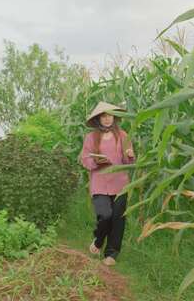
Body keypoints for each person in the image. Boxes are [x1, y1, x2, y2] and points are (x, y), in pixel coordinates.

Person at [80, 102, 135, 266]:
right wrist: (96, 162)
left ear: (114, 117)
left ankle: (111, 254)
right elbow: (85, 159)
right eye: (103, 116)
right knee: (105, 215)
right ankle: (98, 241)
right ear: (98, 119)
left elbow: (127, 160)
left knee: (118, 219)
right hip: (99, 183)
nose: (107, 119)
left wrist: (130, 155)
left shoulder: (123, 136)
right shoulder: (90, 138)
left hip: (120, 184)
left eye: (109, 115)